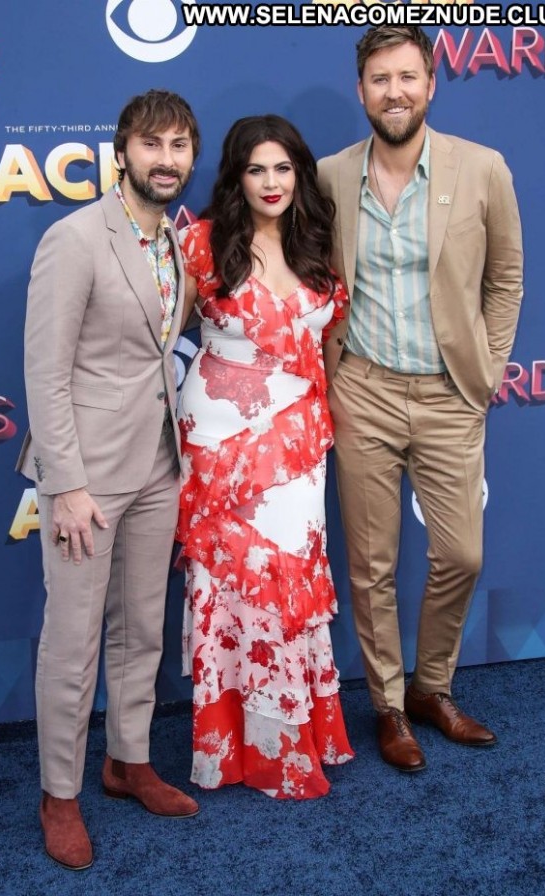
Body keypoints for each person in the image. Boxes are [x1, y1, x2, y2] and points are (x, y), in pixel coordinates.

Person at [318, 26, 523, 772]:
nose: (395, 92)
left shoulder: (482, 167)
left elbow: (505, 279)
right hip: (363, 391)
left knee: (461, 553)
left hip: (449, 394)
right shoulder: (331, 176)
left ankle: (432, 687)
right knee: (371, 566)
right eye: (380, 79)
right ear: (362, 91)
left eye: (408, 77)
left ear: (431, 84)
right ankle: (388, 707)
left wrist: (487, 372)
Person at [16, 89, 201, 871]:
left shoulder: (178, 243)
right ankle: (59, 794)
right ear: (122, 153)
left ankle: (127, 761)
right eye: (152, 144)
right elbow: (46, 371)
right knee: (73, 640)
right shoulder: (74, 238)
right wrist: (65, 484)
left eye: (180, 145)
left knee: (142, 627)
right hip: (86, 477)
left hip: (159, 464)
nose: (166, 159)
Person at [176, 115, 354, 800]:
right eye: (257, 169)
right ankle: (227, 747)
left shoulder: (318, 244)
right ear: (237, 177)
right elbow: (158, 337)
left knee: (288, 577)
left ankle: (288, 740)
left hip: (298, 442)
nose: (271, 182)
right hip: (216, 442)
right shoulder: (202, 244)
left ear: (300, 174)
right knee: (227, 584)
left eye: (283, 168)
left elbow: (329, 348)